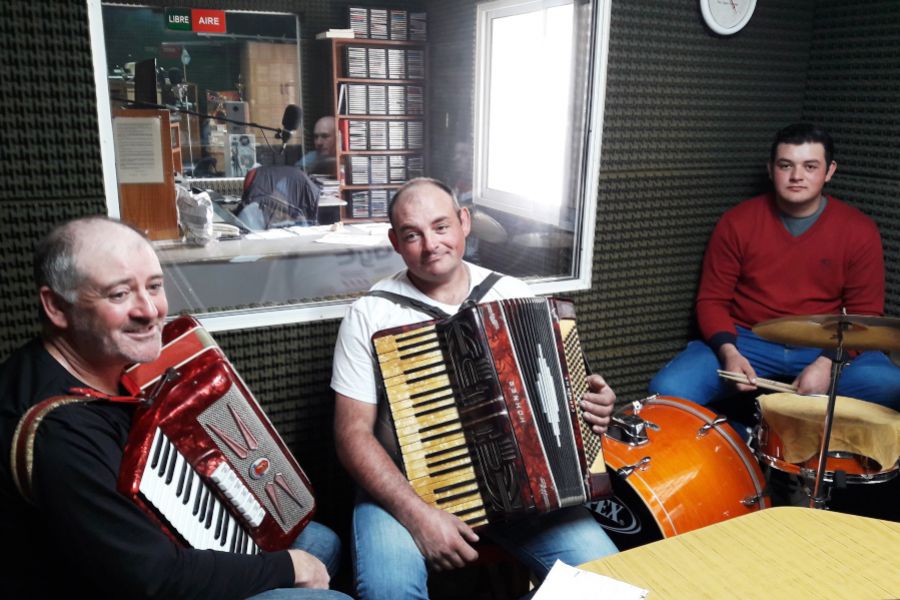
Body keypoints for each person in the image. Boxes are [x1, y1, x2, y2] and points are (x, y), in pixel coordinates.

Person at [0, 216, 349, 599]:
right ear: (55, 307)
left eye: (154, 286)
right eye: (119, 295)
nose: (149, 311)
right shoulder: (60, 433)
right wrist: (287, 567)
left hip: (143, 546)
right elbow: (153, 577)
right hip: (125, 583)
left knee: (322, 542)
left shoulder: (84, 362)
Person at [331, 178, 618, 599]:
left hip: (525, 490)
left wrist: (593, 405)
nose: (431, 245)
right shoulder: (370, 314)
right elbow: (351, 435)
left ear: (464, 222)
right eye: (413, 235)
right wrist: (417, 515)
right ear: (395, 242)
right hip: (403, 490)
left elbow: (560, 402)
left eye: (441, 226)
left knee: (606, 587)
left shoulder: (512, 294)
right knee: (388, 591)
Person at [649, 123, 900, 418]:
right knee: (669, 389)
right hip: (747, 340)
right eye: (786, 165)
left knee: (890, 386)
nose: (796, 176)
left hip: (829, 344)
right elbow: (712, 300)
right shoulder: (737, 222)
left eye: (810, 166)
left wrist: (827, 364)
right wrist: (729, 352)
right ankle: (736, 446)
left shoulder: (859, 230)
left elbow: (866, 313)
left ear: (829, 171)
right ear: (771, 169)